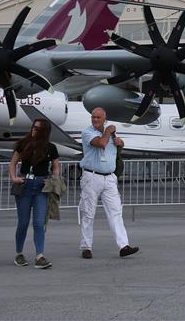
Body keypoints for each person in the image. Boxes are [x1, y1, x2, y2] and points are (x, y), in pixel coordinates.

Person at [79, 107, 139, 259]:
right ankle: (86, 246)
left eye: (98, 117)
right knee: (88, 212)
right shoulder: (88, 132)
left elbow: (114, 148)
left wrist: (120, 142)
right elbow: (101, 144)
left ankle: (123, 246)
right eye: (93, 117)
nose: (95, 120)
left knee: (116, 212)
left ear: (104, 119)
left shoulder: (110, 135)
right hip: (92, 176)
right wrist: (108, 132)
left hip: (109, 177)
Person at [9, 118, 60, 269]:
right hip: (24, 185)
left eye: (37, 128)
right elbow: (13, 163)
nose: (33, 130)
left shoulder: (51, 148)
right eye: (33, 127)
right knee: (23, 223)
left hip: (41, 187)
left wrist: (53, 180)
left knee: (39, 223)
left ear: (44, 131)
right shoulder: (23, 144)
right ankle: (19, 253)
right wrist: (14, 177)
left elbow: (56, 166)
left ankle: (40, 255)